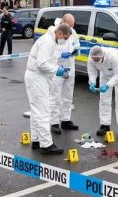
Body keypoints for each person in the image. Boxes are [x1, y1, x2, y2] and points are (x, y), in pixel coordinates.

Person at [25, 24, 73, 154]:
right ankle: (46, 144)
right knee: (43, 111)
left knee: (36, 111)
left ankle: (36, 140)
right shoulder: (48, 41)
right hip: (37, 77)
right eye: (66, 38)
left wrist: (59, 56)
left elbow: (48, 57)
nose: (66, 41)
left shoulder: (50, 39)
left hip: (36, 77)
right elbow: (42, 64)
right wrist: (58, 70)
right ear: (61, 34)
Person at [49, 14, 81, 134]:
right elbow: (50, 50)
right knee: (55, 96)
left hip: (70, 67)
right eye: (69, 26)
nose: (71, 29)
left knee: (68, 96)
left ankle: (65, 120)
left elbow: (77, 45)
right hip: (57, 67)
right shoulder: (53, 31)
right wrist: (60, 54)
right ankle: (54, 122)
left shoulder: (72, 31)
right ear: (63, 22)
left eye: (72, 26)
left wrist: (76, 51)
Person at [88, 45, 118, 138]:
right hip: (104, 74)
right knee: (104, 100)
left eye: (97, 60)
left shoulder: (112, 57)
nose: (95, 61)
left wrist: (108, 85)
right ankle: (105, 125)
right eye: (94, 60)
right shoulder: (91, 58)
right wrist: (92, 82)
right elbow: (91, 71)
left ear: (102, 57)